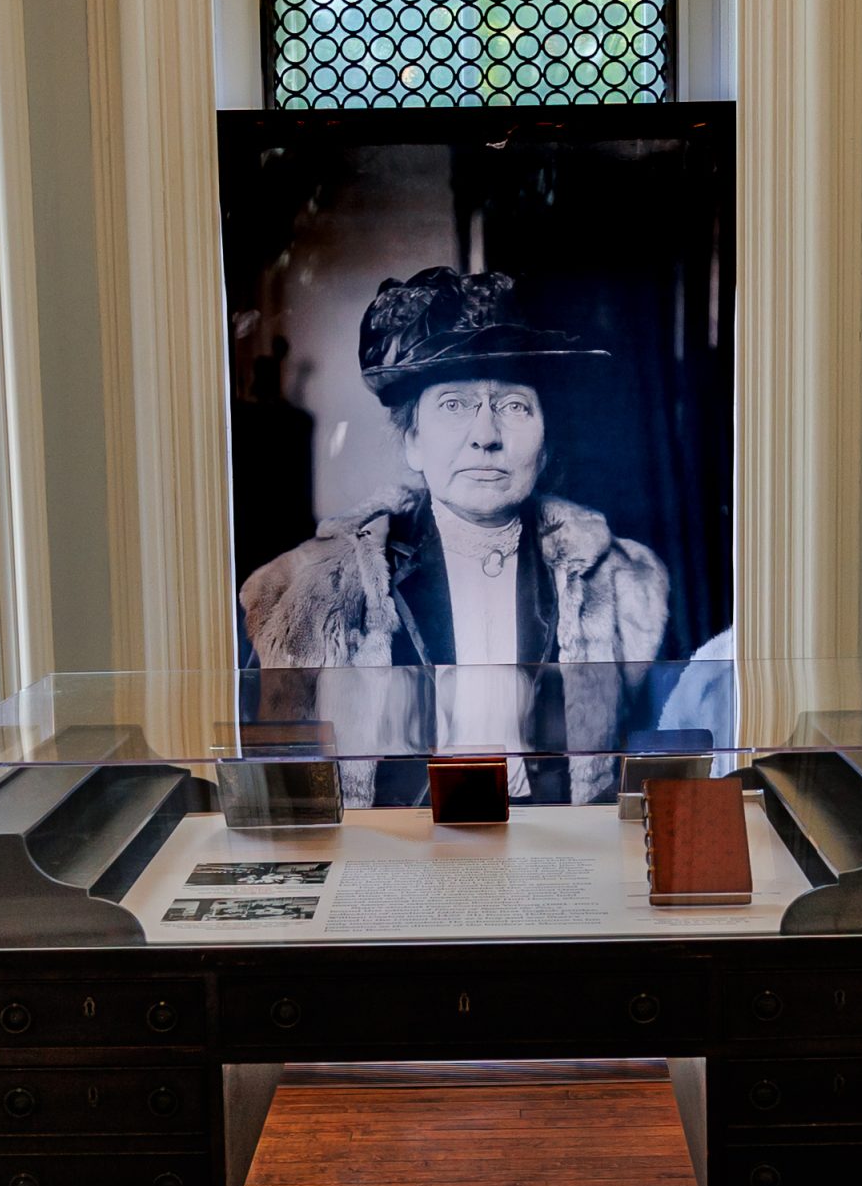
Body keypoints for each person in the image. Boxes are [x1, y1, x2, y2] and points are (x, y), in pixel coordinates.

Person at [240, 267, 669, 803]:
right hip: (397, 861)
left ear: (546, 441)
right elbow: (277, 791)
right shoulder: (312, 590)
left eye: (513, 406)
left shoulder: (622, 585)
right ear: (413, 441)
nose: (485, 435)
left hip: (559, 856)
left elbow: (658, 769)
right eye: (454, 405)